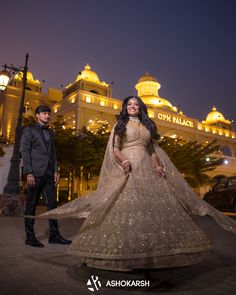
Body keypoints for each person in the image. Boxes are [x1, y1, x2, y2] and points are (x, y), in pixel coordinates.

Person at [38, 96, 236, 271]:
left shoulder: (148, 126)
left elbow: (152, 151)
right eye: (129, 104)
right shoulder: (120, 125)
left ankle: (154, 254)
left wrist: (158, 167)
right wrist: (124, 160)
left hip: (148, 169)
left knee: (152, 210)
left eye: (135, 104)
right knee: (126, 207)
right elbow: (115, 147)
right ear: (125, 108)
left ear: (140, 108)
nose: (132, 106)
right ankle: (119, 256)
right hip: (129, 166)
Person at [21, 105, 72, 247]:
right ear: (37, 115)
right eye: (44, 113)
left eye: (48, 114)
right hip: (35, 174)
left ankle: (54, 236)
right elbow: (25, 151)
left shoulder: (51, 133)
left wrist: (55, 170)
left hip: (49, 173)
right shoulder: (29, 130)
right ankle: (30, 237)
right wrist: (29, 172)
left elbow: (53, 153)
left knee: (53, 206)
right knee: (31, 205)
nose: (47, 116)